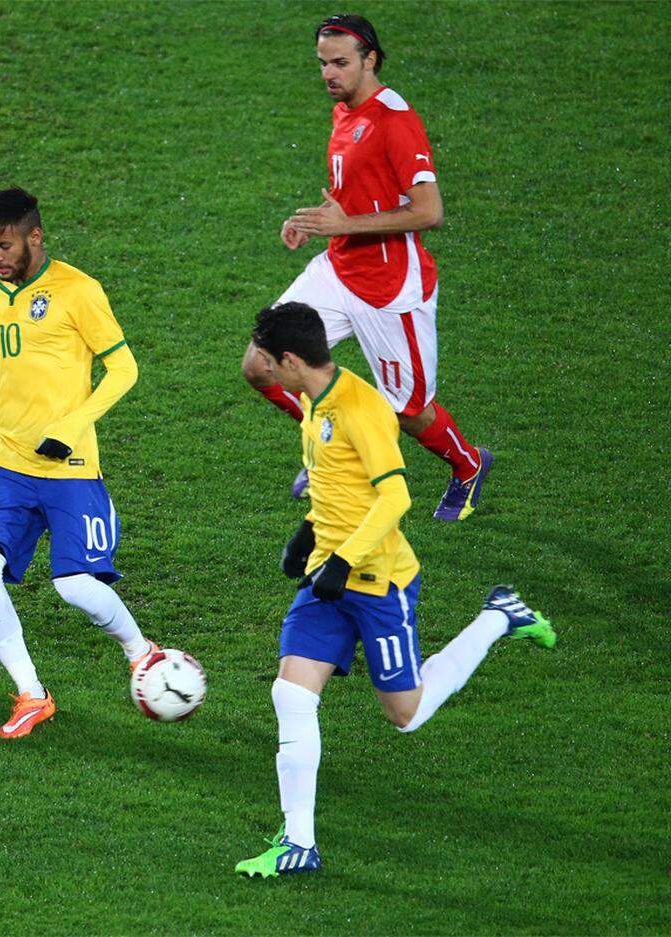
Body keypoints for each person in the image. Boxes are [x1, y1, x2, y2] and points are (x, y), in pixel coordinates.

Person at [234, 302, 555, 877]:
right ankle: (298, 844)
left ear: (289, 359)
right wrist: (307, 535)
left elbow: (395, 497)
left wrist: (346, 561)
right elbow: (337, 484)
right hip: (327, 577)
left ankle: (498, 616)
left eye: (265, 357)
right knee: (291, 695)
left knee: (405, 714)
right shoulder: (312, 400)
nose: (258, 367)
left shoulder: (360, 408)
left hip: (379, 584)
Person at [242, 13, 491, 522]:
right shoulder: (344, 111)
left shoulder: (395, 120)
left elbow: (429, 211)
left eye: (340, 63)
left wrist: (343, 225)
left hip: (391, 288)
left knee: (409, 411)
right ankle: (334, 449)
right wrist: (311, 223)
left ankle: (468, 466)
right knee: (261, 364)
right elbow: (353, 191)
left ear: (370, 59)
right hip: (338, 269)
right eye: (321, 64)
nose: (328, 74)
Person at [0, 188, 157, 740]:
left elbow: (123, 370)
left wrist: (70, 427)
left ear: (34, 236)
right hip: (4, 457)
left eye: (5, 245)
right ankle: (31, 693)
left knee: (74, 585)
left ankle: (141, 652)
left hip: (70, 465)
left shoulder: (79, 291)